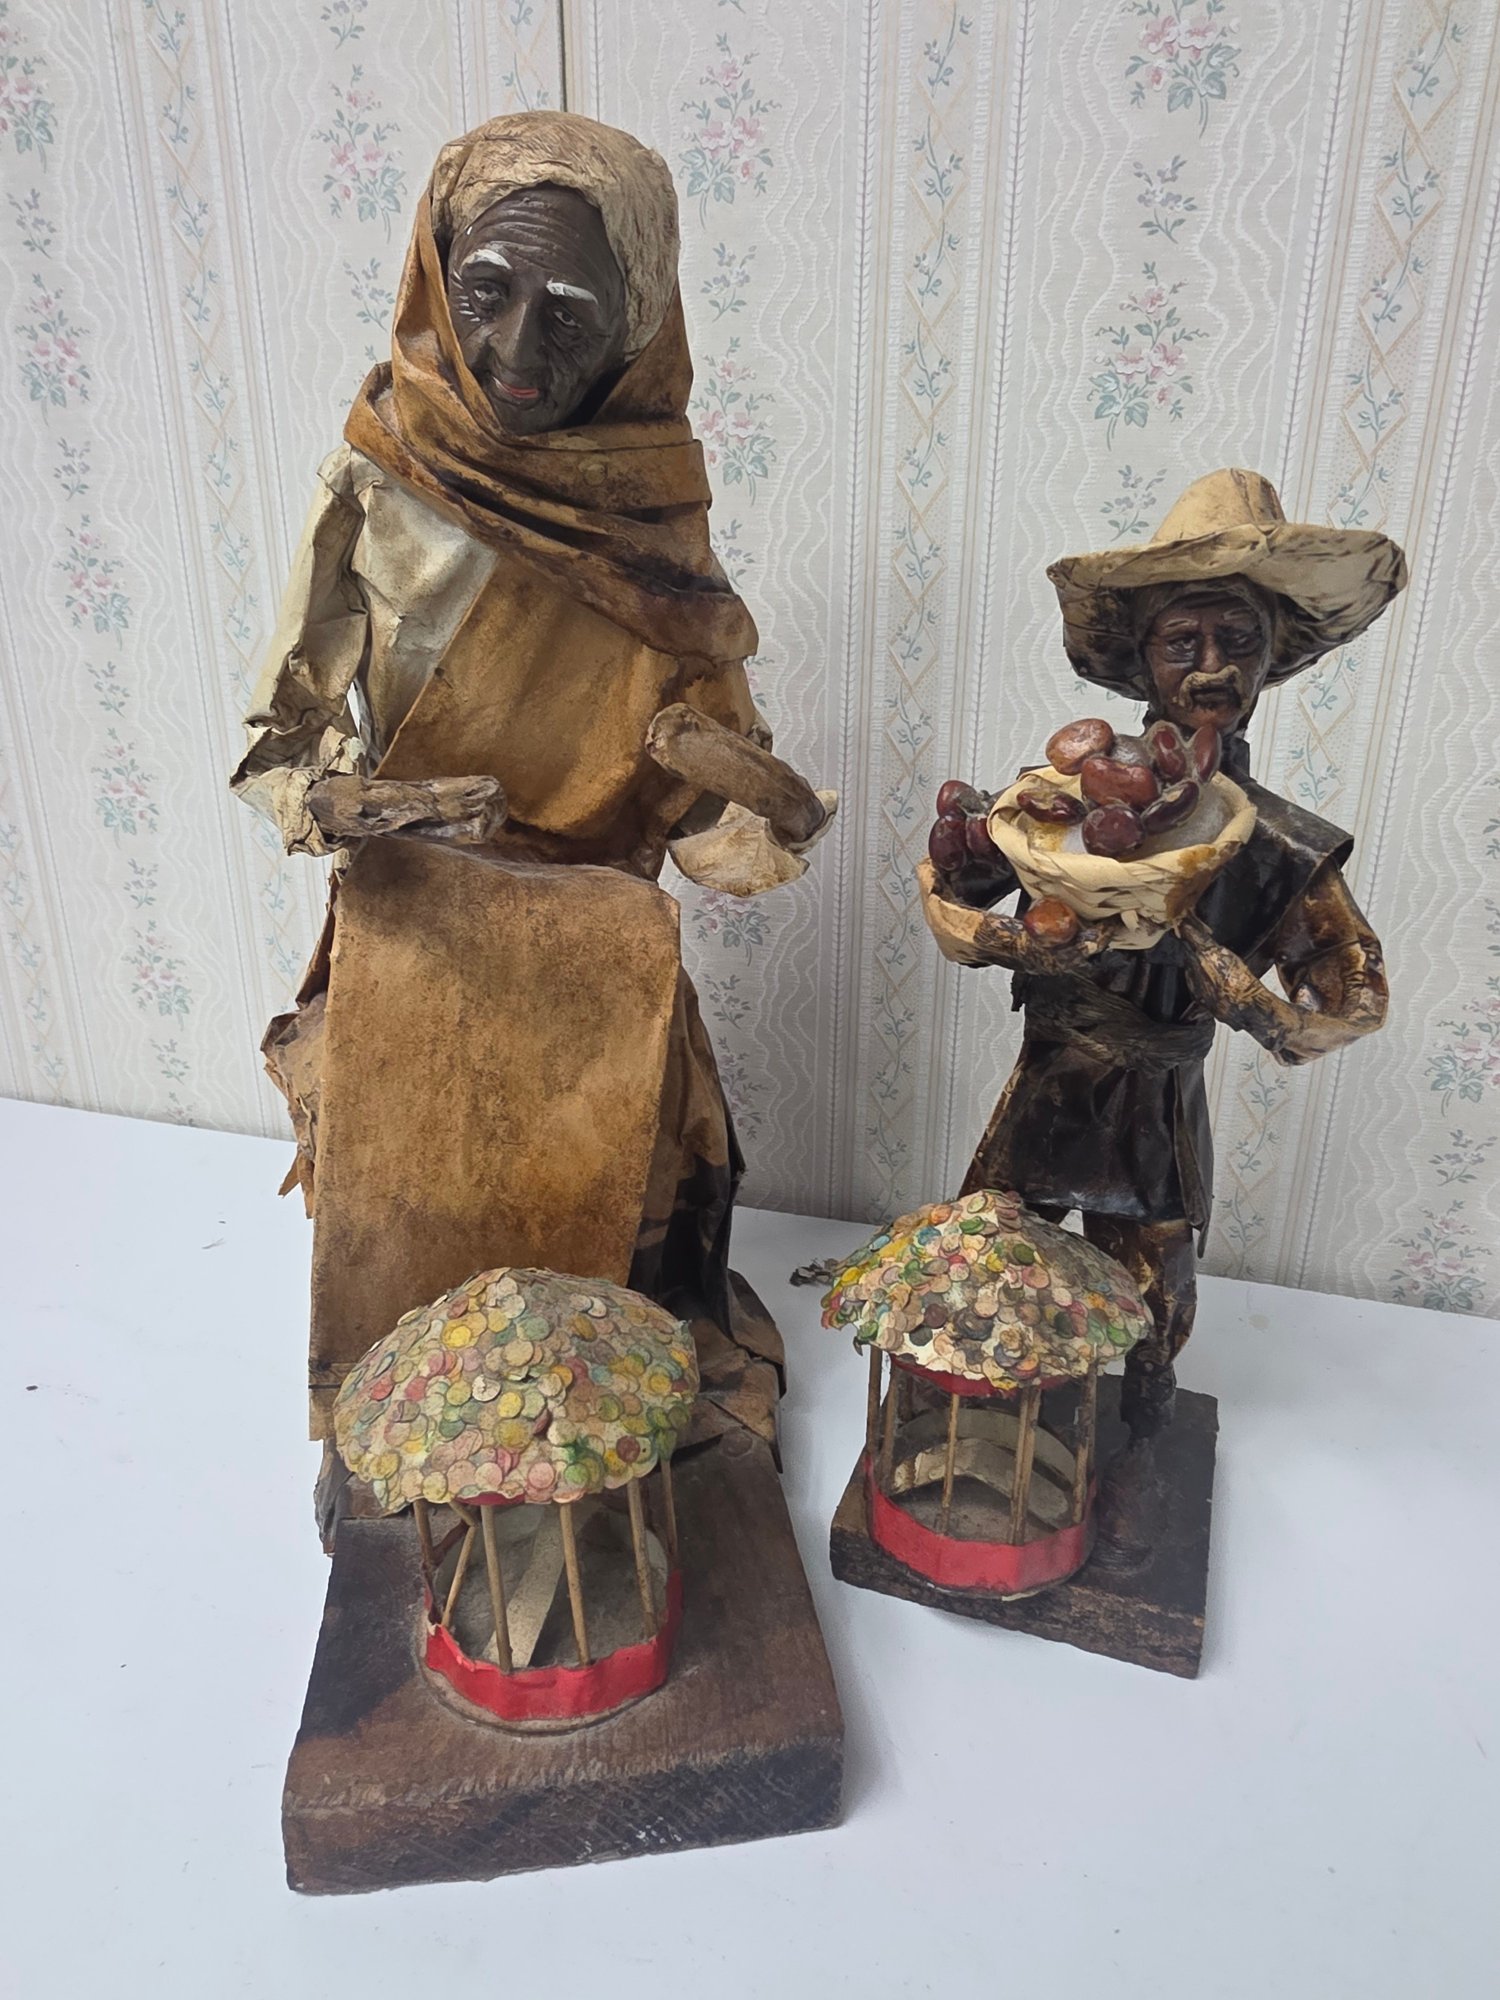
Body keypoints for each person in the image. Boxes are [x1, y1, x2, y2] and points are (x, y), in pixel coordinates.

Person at [232, 113, 831, 1513]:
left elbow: (707, 816)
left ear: (638, 323)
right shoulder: (377, 474)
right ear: (436, 274)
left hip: (594, 947)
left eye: (571, 312)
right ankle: (409, 1445)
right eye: (487, 289)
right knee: (408, 1232)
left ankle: (611, 1434)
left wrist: (769, 819)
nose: (514, 350)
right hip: (416, 926)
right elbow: (278, 743)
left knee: (649, 1210)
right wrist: (349, 803)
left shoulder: (654, 519)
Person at [920, 468, 1404, 1544]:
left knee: (1153, 1303)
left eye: (1239, 639)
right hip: (1048, 1088)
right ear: (1143, 657)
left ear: (1274, 656)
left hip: (1158, 1109)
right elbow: (965, 891)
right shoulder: (1064, 805)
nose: (1212, 666)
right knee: (980, 1263)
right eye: (1185, 640)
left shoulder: (1279, 844)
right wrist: (973, 896)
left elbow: (1349, 987)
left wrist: (1263, 1006)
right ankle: (973, 1427)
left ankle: (1135, 1452)